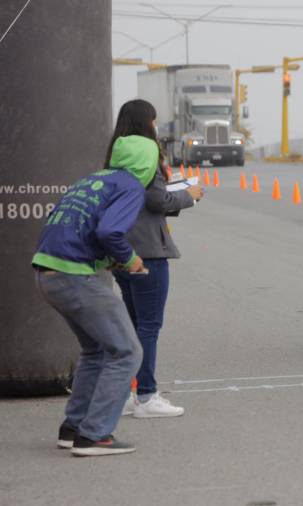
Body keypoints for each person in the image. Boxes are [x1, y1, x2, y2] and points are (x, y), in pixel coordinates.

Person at [32, 131, 159, 456]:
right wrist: (130, 260)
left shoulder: (93, 180)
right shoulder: (131, 185)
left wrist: (109, 258)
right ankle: (95, 435)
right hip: (74, 276)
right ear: (147, 163)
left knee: (96, 351)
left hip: (48, 272)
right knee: (128, 352)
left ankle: (72, 428)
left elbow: (81, 226)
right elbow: (109, 230)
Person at [112, 99, 204, 419]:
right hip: (149, 251)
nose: (156, 125)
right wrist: (187, 196)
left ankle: (125, 395)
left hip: (121, 248)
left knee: (133, 325)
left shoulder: (117, 153)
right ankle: (147, 397)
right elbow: (156, 199)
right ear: (146, 123)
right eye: (154, 120)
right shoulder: (149, 153)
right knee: (149, 327)